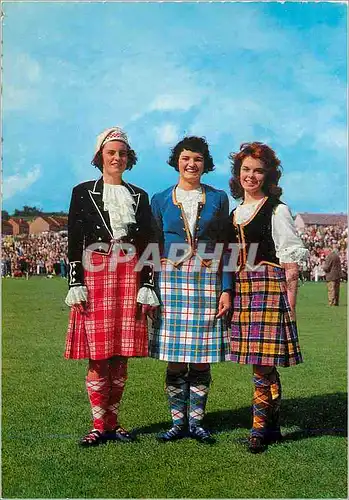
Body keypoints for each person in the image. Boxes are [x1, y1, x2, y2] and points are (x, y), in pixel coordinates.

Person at [65, 127, 158, 447]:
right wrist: (75, 281)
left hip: (130, 275)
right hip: (95, 275)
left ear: (129, 158)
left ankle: (114, 423)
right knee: (98, 356)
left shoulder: (140, 196)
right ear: (100, 157)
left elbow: (149, 244)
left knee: (121, 357)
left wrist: (148, 283)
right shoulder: (82, 192)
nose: (117, 158)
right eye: (111, 153)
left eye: (122, 153)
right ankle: (97, 425)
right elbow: (75, 240)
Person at [226, 142, 308, 453]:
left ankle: (259, 428)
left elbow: (290, 261)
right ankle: (272, 425)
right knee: (263, 364)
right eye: (246, 169)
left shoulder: (278, 209)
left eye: (258, 170)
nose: (251, 175)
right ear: (238, 174)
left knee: (261, 364)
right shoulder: (234, 213)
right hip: (244, 288)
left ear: (268, 175)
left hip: (269, 287)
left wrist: (291, 303)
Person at [149, 136, 231, 444]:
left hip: (207, 281)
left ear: (205, 164)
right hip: (170, 282)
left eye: (197, 159)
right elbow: (153, 247)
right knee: (174, 357)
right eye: (185, 158)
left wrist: (226, 288)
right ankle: (176, 422)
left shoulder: (218, 198)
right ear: (177, 161)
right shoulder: (160, 199)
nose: (191, 164)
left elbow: (225, 247)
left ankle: (197, 422)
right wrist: (151, 288)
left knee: (200, 357)